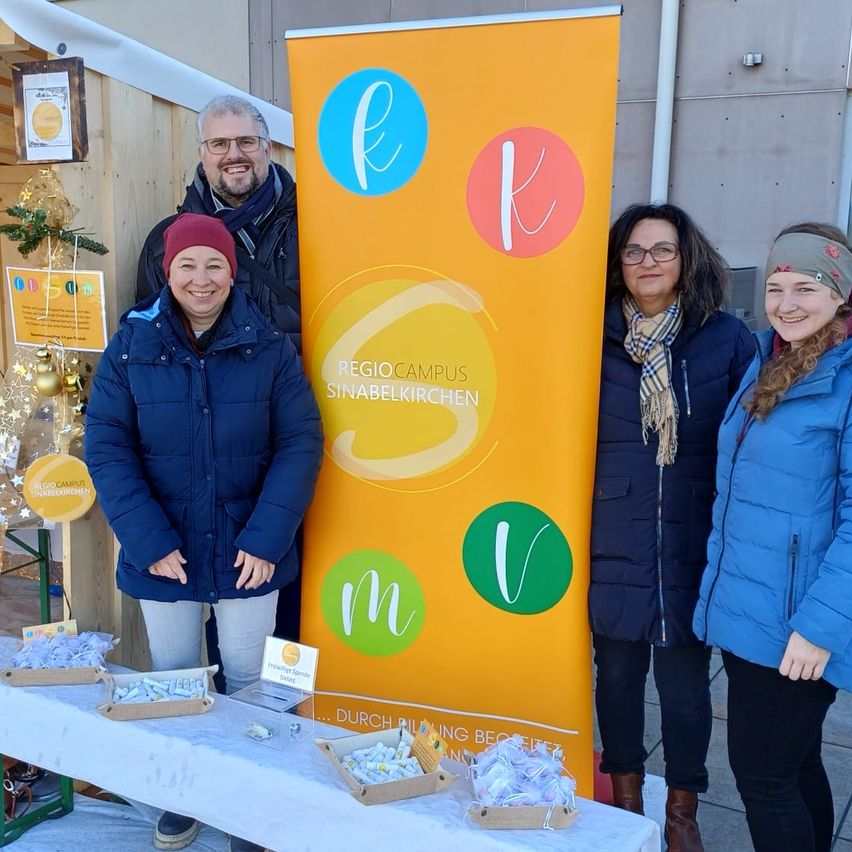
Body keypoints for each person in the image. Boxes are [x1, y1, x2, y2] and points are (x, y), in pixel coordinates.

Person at [86, 213, 323, 852]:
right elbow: (106, 445)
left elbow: (300, 442)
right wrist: (147, 540)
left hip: (249, 551)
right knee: (175, 678)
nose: (201, 278)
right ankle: (184, 794)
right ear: (168, 271)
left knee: (250, 684)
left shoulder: (269, 347)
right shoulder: (130, 347)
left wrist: (267, 538)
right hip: (166, 552)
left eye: (214, 264)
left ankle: (249, 806)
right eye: (187, 264)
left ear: (231, 272)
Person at [590, 203, 755, 851]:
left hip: (693, 539)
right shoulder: (591, 336)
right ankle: (629, 804)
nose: (648, 262)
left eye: (662, 249)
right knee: (617, 680)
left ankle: (682, 812)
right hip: (614, 536)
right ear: (617, 263)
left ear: (686, 259)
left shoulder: (725, 339)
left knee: (686, 690)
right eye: (633, 251)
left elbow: (748, 444)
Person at [693, 223, 852, 852]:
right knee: (794, 766)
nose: (786, 303)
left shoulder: (843, 379)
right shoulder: (769, 358)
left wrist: (819, 627)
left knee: (763, 778)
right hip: (752, 609)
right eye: (776, 287)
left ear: (840, 294)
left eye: (806, 287)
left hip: (795, 626)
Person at [137, 94, 303, 673]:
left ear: (268, 147)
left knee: (280, 621)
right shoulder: (165, 240)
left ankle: (274, 722)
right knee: (187, 651)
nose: (234, 154)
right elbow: (146, 361)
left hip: (288, 458)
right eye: (219, 143)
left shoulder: (316, 226)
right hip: (192, 473)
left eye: (246, 141)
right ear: (202, 152)